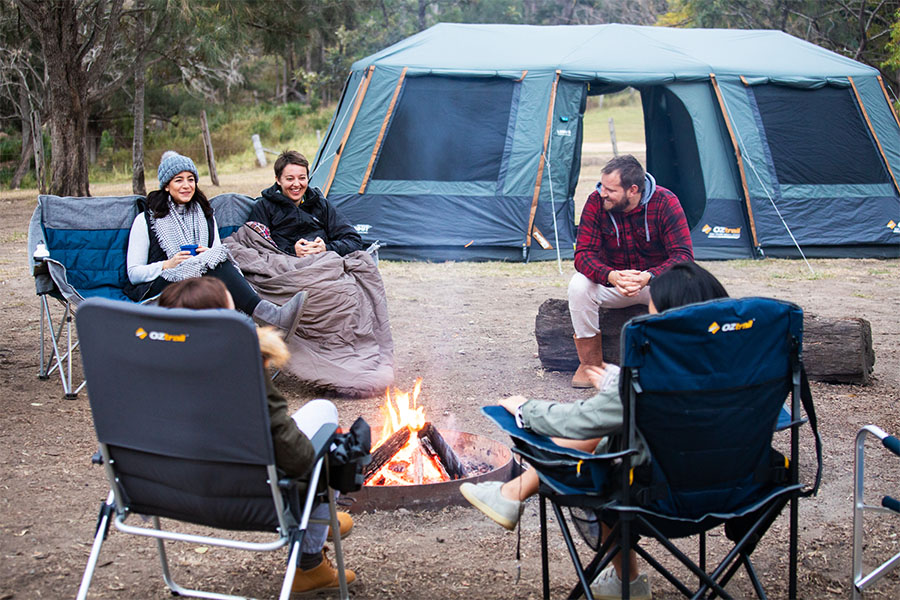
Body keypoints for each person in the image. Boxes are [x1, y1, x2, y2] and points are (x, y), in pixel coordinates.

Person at [460, 262, 728, 600]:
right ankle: (511, 496)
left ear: (670, 321)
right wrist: (620, 388)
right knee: (614, 433)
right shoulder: (743, 372)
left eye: (652, 312)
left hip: (661, 500)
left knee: (600, 455)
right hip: (738, 490)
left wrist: (525, 408)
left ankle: (623, 579)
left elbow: (577, 420)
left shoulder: (652, 378)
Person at [157, 277, 356, 594]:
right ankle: (309, 561)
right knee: (323, 430)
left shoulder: (144, 371)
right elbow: (297, 457)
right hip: (250, 493)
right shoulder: (241, 364)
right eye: (233, 311)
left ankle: (321, 521)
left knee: (311, 421)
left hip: (165, 487)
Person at [125, 151, 307, 335]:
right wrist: (167, 265)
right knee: (214, 262)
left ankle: (267, 319)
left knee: (216, 259)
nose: (186, 186)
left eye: (190, 179)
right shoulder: (147, 220)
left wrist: (207, 253)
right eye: (178, 180)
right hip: (162, 287)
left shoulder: (205, 214)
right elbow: (133, 274)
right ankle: (271, 317)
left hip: (199, 285)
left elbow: (217, 254)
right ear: (166, 185)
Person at [569, 154, 693, 388]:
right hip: (613, 284)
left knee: (684, 281)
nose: (602, 192)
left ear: (633, 190)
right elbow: (583, 254)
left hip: (654, 285)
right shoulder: (596, 202)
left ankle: (667, 366)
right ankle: (590, 365)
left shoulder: (666, 202)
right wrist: (611, 276)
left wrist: (649, 276)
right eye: (601, 186)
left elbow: (683, 256)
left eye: (610, 189)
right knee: (578, 284)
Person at [248, 150, 364, 257]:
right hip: (285, 266)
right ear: (278, 180)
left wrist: (326, 248)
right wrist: (292, 251)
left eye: (302, 178)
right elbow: (256, 246)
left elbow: (354, 240)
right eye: (290, 179)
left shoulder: (321, 204)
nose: (297, 184)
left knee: (364, 262)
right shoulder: (264, 207)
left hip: (324, 262)